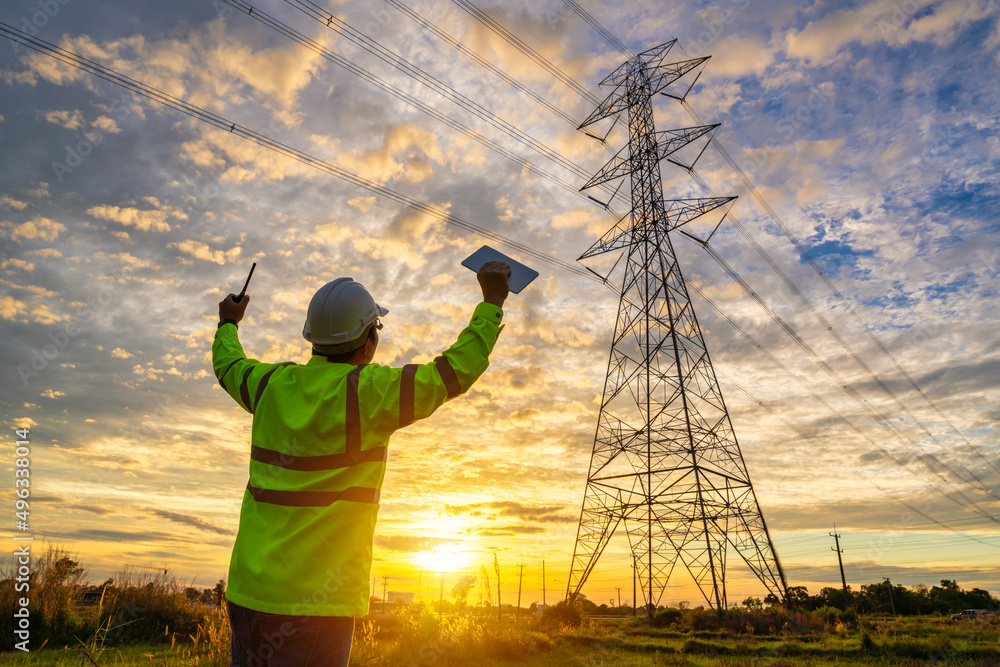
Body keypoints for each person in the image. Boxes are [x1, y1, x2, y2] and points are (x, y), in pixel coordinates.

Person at [212, 260, 511, 667]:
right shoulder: (370, 395)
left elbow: (228, 365)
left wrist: (228, 323)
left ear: (312, 340)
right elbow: (451, 373)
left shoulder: (269, 386)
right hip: (315, 607)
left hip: (247, 595)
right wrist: (492, 301)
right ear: (368, 341)